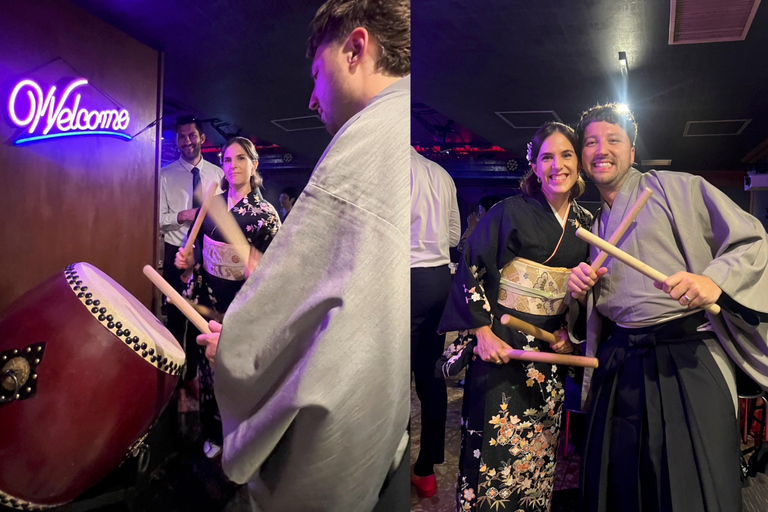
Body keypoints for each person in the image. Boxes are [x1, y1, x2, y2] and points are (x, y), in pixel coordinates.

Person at [195, 0, 411, 510]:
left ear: (356, 48)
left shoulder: (363, 142)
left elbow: (296, 297)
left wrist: (243, 349)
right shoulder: (401, 129)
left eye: (316, 74)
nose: (312, 99)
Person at [568, 103, 768, 512]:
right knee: (623, 482)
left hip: (687, 351)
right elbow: (603, 307)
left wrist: (713, 281)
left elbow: (753, 241)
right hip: (620, 358)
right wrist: (582, 292)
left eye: (613, 140)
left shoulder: (678, 188)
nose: (601, 150)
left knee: (694, 483)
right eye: (590, 142)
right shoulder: (594, 223)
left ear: (632, 150)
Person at [438, 122, 592, 512]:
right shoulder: (508, 212)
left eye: (566, 155)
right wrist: (482, 332)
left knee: (538, 454)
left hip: (549, 355)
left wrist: (569, 331)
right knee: (492, 449)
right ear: (534, 166)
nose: (557, 166)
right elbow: (471, 267)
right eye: (547, 157)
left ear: (579, 163)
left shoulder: (586, 225)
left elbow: (587, 293)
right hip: (501, 348)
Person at [175, 137, 280, 457]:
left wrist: (259, 272)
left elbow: (277, 273)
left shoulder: (266, 215)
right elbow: (197, 254)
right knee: (209, 375)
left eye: (240, 159)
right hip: (209, 304)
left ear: (254, 165)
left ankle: (244, 436)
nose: (233, 165)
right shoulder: (212, 206)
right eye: (227, 160)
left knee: (240, 375)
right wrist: (188, 262)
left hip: (243, 308)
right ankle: (214, 433)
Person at [409, 147, 460, 497]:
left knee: (394, 380)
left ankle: (392, 466)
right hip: (439, 279)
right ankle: (426, 469)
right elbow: (454, 237)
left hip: (403, 276)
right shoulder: (441, 174)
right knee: (431, 375)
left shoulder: (390, 171)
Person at [159, 117, 223, 357]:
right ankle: (174, 371)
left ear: (202, 138)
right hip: (175, 253)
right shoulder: (164, 175)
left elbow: (224, 217)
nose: (187, 141)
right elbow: (156, 219)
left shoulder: (218, 174)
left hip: (206, 256)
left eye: (192, 135)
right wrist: (183, 215)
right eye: (182, 137)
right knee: (175, 316)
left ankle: (194, 372)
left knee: (203, 318)